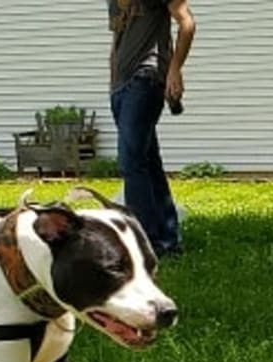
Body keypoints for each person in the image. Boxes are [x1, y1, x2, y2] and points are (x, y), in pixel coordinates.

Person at [108, 0, 196, 257]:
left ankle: (144, 243)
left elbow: (187, 23)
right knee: (148, 162)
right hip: (120, 87)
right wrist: (113, 85)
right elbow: (117, 40)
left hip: (146, 79)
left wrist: (174, 69)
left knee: (131, 162)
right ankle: (168, 240)